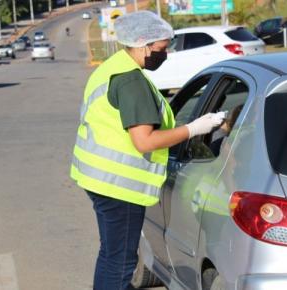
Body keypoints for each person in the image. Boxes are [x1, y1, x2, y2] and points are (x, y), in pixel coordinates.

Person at [69, 11, 225, 290]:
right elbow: (145, 141)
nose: (165, 54)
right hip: (119, 186)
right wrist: (194, 129)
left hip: (100, 179)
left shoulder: (112, 67)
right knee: (120, 262)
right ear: (143, 45)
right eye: (162, 48)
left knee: (111, 254)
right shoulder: (131, 82)